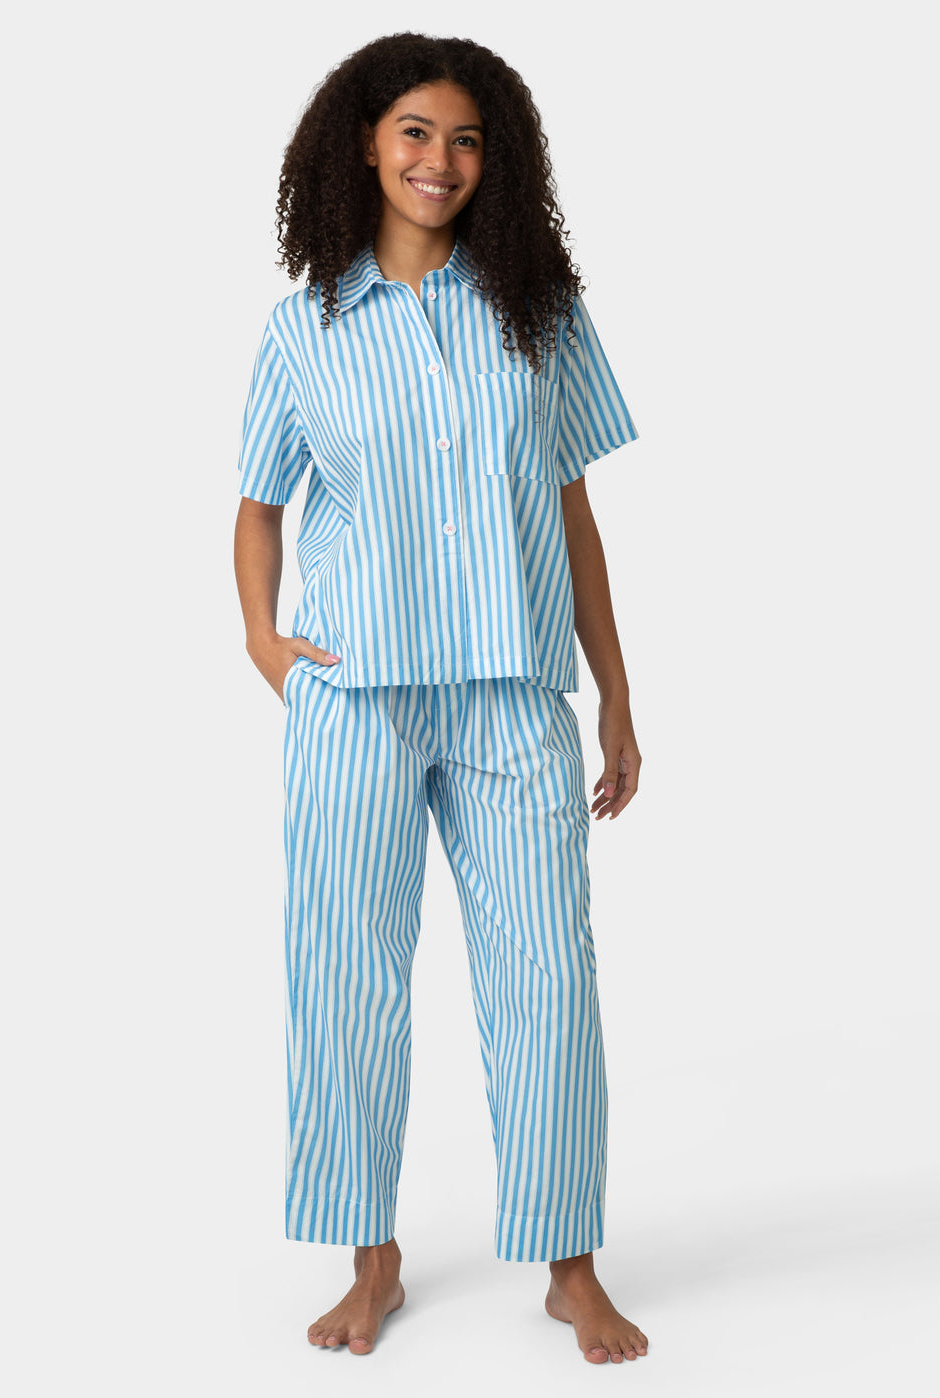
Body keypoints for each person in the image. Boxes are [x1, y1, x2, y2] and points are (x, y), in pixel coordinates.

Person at [232, 32, 649, 1365]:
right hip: (354, 695)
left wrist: (617, 693)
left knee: (550, 973)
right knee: (345, 972)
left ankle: (570, 1264)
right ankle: (371, 1256)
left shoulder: (538, 313)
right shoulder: (302, 329)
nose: (440, 159)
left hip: (514, 692)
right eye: (415, 131)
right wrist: (266, 642)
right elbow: (257, 505)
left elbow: (573, 515)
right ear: (364, 144)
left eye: (466, 139)